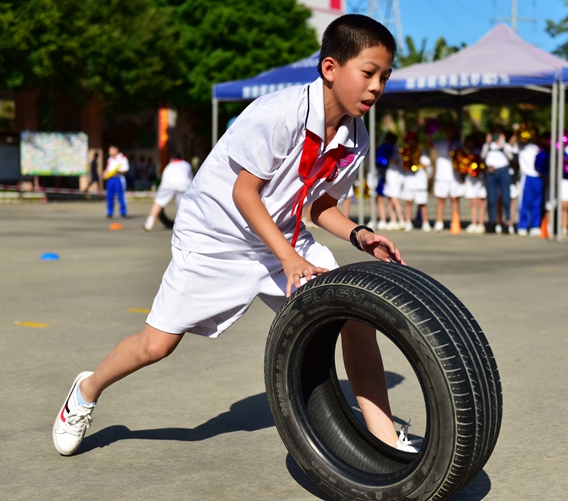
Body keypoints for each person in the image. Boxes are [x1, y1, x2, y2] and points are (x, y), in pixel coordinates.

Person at [52, 15, 418, 457]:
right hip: (216, 237)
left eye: (385, 76)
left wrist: (361, 235)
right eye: (368, 73)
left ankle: (383, 438)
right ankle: (85, 391)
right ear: (330, 68)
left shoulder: (356, 136)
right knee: (157, 345)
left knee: (356, 319)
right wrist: (288, 257)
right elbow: (244, 193)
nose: (377, 86)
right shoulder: (278, 113)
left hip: (281, 236)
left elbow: (319, 206)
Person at [142, 152, 195, 231]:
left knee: (159, 202)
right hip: (184, 185)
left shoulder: (169, 166)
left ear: (171, 159)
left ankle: (149, 223)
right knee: (182, 205)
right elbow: (191, 177)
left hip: (168, 185)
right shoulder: (186, 164)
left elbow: (164, 178)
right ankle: (186, 225)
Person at [430, 123, 463, 232]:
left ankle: (455, 220)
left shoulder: (458, 145)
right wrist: (429, 132)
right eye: (447, 131)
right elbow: (429, 144)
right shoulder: (440, 143)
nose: (449, 133)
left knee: (454, 199)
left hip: (454, 176)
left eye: (451, 131)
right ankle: (439, 221)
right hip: (442, 175)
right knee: (441, 199)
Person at [482, 126, 514, 234]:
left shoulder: (505, 146)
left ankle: (508, 222)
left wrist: (503, 143)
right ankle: (493, 222)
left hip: (504, 172)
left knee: (506, 199)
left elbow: (510, 157)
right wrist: (487, 143)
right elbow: (482, 156)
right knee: (492, 199)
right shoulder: (488, 146)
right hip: (492, 173)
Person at [400, 131, 431, 232]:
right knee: (408, 202)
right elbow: (402, 166)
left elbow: (426, 164)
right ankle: (408, 222)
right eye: (409, 140)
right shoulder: (405, 151)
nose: (411, 142)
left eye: (413, 140)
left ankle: (425, 223)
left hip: (420, 181)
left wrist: (418, 161)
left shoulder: (422, 151)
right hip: (409, 180)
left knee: (422, 203)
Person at [516, 132, 542, 237]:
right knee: (525, 202)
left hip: (538, 177)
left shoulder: (540, 148)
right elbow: (509, 147)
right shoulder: (522, 147)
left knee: (536, 203)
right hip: (526, 177)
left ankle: (535, 226)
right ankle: (523, 225)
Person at [463, 136, 487, 233]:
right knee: (472, 202)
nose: (470, 145)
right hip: (470, 179)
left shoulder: (480, 152)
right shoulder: (465, 154)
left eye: (471, 142)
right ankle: (473, 223)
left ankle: (481, 224)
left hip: (480, 179)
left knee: (480, 201)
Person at [103, 144, 129, 218]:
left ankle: (123, 212)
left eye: (111, 149)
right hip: (111, 179)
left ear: (116, 150)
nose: (109, 151)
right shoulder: (110, 159)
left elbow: (126, 169)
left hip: (119, 179)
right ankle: (109, 212)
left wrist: (118, 171)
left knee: (121, 196)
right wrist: (105, 173)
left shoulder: (122, 158)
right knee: (109, 196)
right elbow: (107, 169)